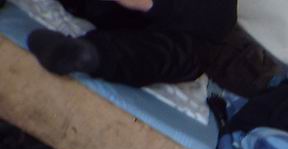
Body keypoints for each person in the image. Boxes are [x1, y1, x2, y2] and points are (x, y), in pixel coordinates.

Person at [27, 0, 237, 87]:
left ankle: (83, 55)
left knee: (192, 54)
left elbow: (219, 24)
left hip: (142, 32)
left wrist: (154, 4)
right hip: (101, 7)